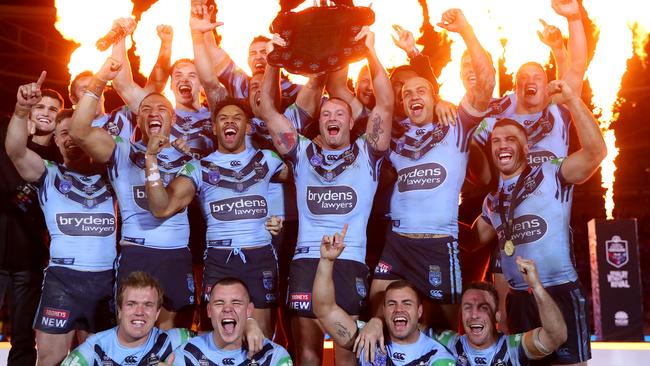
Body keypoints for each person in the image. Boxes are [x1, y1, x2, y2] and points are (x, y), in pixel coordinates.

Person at [259, 26, 393, 366]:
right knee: (307, 354)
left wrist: (370, 52)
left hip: (350, 261)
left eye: (339, 113)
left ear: (351, 121)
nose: (332, 118)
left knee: (349, 355)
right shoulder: (302, 153)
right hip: (306, 261)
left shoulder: (369, 153)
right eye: (326, 115)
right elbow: (269, 112)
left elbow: (387, 104)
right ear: (319, 124)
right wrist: (273, 61)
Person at [473, 79, 606, 366]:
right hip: (518, 299)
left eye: (510, 139)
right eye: (496, 140)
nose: (502, 145)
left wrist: (572, 100)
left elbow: (596, 154)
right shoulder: (493, 201)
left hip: (558, 289)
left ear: (525, 146)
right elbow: (471, 240)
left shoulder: (551, 172)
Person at [143, 98, 289, 338]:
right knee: (216, 341)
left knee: (260, 341)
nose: (230, 122)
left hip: (260, 257)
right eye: (223, 118)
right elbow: (162, 208)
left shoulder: (269, 159)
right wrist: (151, 160)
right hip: (220, 260)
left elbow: (305, 179)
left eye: (237, 118)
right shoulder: (199, 167)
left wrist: (278, 218)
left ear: (248, 127)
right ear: (214, 127)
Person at [70, 57, 195, 329]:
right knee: (133, 334)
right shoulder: (121, 149)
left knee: (174, 338)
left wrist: (154, 158)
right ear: (138, 118)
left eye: (161, 109)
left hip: (176, 256)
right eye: (146, 109)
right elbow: (78, 131)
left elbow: (162, 207)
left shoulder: (188, 160)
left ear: (172, 118)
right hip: (137, 255)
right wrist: (100, 79)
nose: (153, 113)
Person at [313, 225, 455, 366]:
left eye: (407, 303)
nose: (399, 309)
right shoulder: (367, 339)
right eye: (392, 304)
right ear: (384, 311)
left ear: (419, 311)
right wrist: (326, 261)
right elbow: (324, 309)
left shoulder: (436, 355)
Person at [0, 75, 63, 365]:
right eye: (41, 106)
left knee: (23, 337)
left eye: (53, 109)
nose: (46, 112)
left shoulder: (61, 160)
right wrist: (20, 109)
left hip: (30, 261)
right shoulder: (6, 140)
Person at [436, 258, 567, 366]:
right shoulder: (449, 343)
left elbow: (556, 336)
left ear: (497, 317)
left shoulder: (512, 348)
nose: (474, 315)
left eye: (483, 307)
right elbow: (416, 328)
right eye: (468, 307)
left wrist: (536, 287)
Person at [61, 272, 193, 366]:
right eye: (131, 304)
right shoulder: (95, 348)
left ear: (157, 312)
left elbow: (212, 340)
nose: (139, 312)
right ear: (119, 310)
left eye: (148, 305)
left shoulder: (174, 340)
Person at [190, 0, 301, 103]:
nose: (258, 57)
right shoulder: (240, 83)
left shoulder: (293, 90)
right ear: (247, 60)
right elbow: (212, 50)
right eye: (253, 53)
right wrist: (200, 19)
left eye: (264, 52)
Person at [173, 278, 292, 365]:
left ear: (249, 310)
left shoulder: (273, 356)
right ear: (209, 311)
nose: (227, 309)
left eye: (236, 303)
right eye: (219, 303)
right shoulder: (187, 353)